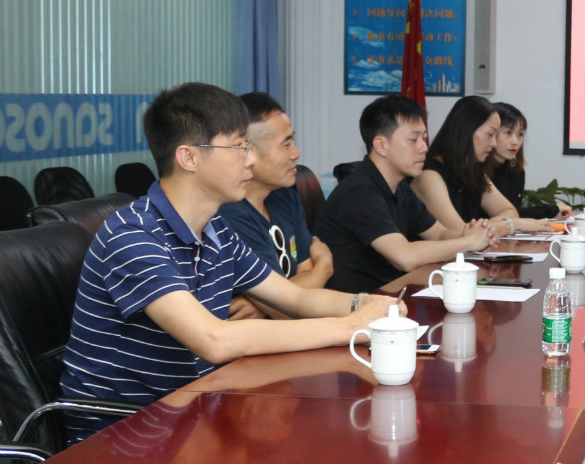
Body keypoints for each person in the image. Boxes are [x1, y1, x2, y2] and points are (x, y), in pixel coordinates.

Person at [58, 83, 397, 441]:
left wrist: (370, 306)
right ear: (189, 158)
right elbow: (214, 339)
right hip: (125, 435)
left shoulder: (215, 228)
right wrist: (351, 327)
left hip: (194, 413)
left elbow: (296, 298)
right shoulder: (133, 235)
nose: (250, 159)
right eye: (238, 147)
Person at [317, 94, 493, 293]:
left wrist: (473, 233)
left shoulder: (400, 187)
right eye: (413, 140)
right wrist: (468, 242)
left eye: (424, 138)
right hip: (356, 304)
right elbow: (405, 257)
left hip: (389, 294)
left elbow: (439, 233)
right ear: (381, 145)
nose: (424, 148)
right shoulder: (359, 193)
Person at [219, 92, 333, 319]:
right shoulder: (228, 213)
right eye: (286, 144)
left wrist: (263, 305)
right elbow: (286, 310)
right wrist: (324, 267)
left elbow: (302, 277)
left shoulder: (286, 198)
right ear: (247, 151)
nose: (296, 153)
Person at [413, 96, 558, 239]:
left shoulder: (472, 170)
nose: (494, 144)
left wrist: (488, 226)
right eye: (490, 134)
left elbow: (509, 211)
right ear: (467, 130)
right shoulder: (428, 175)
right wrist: (512, 224)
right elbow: (461, 234)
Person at [488, 101, 569, 220]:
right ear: (491, 133)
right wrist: (549, 210)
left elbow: (513, 215)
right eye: (508, 132)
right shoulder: (477, 172)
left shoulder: (517, 172)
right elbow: (499, 217)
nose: (515, 141)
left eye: (520, 134)